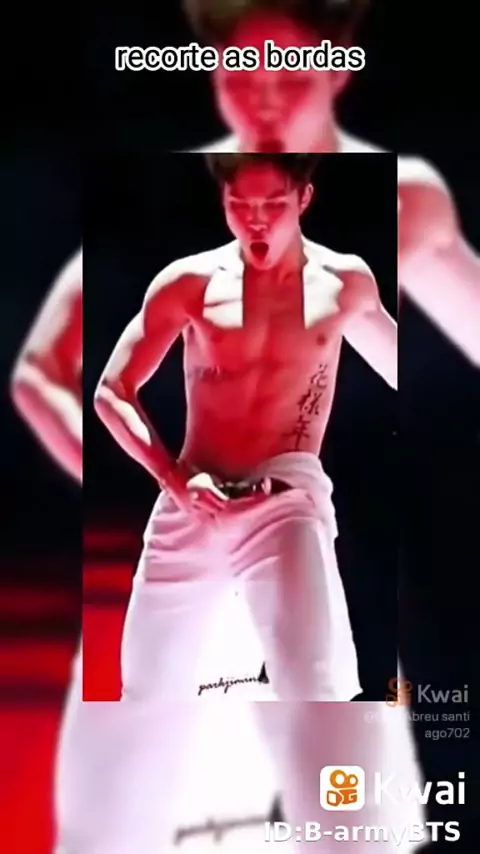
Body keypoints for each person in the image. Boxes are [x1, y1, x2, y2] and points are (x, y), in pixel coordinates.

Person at [54, 154, 413, 854]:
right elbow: (111, 393)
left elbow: (415, 369)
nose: (255, 221)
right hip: (191, 493)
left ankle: (349, 838)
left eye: (272, 204)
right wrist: (173, 478)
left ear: (304, 197)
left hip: (285, 495)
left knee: (316, 683)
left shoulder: (344, 283)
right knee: (148, 693)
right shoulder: (188, 282)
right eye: (239, 205)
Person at [183, 0, 480, 367]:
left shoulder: (405, 197)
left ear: (337, 71)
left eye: (291, 82)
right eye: (239, 82)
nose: (264, 107)